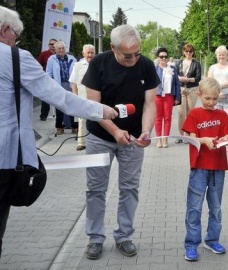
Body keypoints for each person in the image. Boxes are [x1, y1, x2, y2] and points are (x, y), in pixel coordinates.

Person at [0, 6, 118, 259]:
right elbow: (58, 96)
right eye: (15, 36)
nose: (15, 42)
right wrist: (101, 111)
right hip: (4, 159)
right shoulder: (13, 57)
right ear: (4, 30)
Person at [81, 24, 159, 260]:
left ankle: (124, 236)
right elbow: (94, 107)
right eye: (127, 55)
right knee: (96, 189)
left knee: (129, 188)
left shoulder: (145, 65)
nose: (134, 59)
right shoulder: (98, 64)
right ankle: (95, 238)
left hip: (134, 138)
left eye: (137, 53)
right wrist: (115, 131)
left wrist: (146, 131)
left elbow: (150, 104)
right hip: (100, 137)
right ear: (113, 48)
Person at [181, 77, 228, 261]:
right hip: (199, 167)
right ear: (199, 94)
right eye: (207, 99)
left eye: (214, 99)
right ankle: (191, 244)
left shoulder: (222, 115)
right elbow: (192, 138)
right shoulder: (194, 114)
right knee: (194, 207)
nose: (211, 103)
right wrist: (204, 141)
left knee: (216, 207)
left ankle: (212, 240)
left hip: (218, 167)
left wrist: (226, 140)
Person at [208, 45, 228, 156]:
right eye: (219, 54)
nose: (221, 56)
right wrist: (217, 91)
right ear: (216, 56)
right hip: (215, 97)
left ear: (227, 55)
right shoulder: (212, 67)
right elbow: (209, 82)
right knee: (216, 122)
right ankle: (217, 144)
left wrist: (219, 86)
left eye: (223, 54)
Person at [46, 40, 77, 135]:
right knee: (59, 107)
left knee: (72, 106)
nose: (61, 50)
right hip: (58, 86)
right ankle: (59, 127)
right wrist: (51, 86)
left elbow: (76, 72)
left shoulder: (72, 58)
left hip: (71, 85)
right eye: (59, 48)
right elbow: (48, 74)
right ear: (55, 50)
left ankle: (74, 127)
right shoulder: (52, 59)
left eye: (63, 48)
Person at [69, 44, 96, 151]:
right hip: (82, 98)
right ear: (83, 53)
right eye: (88, 52)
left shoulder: (98, 64)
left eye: (92, 52)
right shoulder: (77, 65)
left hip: (96, 98)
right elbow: (73, 82)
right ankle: (81, 142)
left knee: (97, 120)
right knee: (82, 121)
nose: (90, 55)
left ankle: (96, 142)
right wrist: (75, 96)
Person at [154, 47, 181, 148]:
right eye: (161, 56)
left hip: (169, 96)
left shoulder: (172, 68)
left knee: (168, 118)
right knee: (158, 118)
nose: (164, 58)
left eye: (165, 56)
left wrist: (177, 97)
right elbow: (151, 84)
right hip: (157, 96)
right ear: (158, 57)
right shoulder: (155, 68)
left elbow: (177, 84)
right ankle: (158, 140)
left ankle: (165, 139)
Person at [175, 44, 201, 143]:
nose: (188, 53)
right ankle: (180, 135)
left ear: (193, 52)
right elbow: (175, 75)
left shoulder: (196, 63)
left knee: (190, 113)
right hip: (181, 89)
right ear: (183, 52)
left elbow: (198, 78)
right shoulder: (179, 63)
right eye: (186, 51)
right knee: (181, 113)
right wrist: (180, 79)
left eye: (190, 51)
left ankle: (188, 134)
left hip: (192, 90)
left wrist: (188, 79)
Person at [37, 37, 57, 121]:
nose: (52, 46)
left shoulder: (59, 54)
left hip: (57, 79)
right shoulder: (44, 54)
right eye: (50, 44)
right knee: (46, 98)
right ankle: (43, 115)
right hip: (46, 79)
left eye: (54, 44)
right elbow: (38, 66)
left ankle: (60, 116)